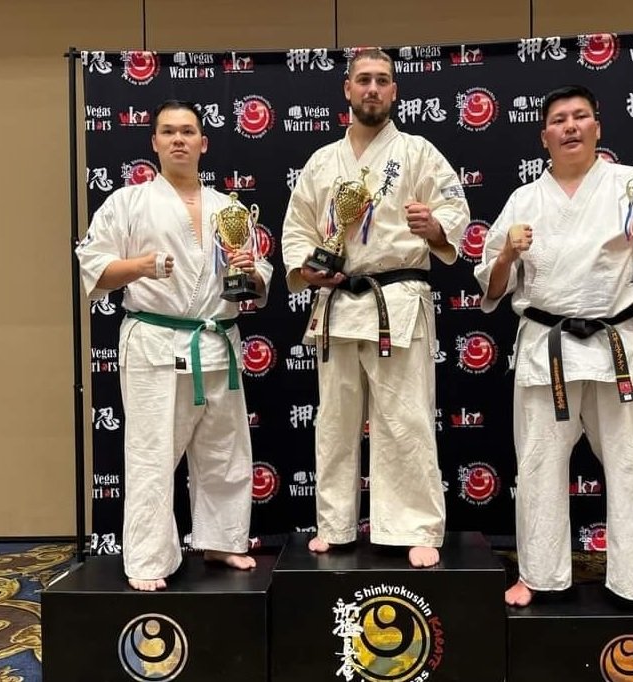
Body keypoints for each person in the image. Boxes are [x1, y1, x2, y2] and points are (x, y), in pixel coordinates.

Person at [474, 85, 633, 620]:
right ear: (543, 136)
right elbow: (493, 287)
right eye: (558, 120)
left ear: (598, 126)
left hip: (612, 343)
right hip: (545, 347)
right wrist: (506, 254)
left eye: (580, 117)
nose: (569, 126)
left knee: (631, 463)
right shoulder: (524, 200)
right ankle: (537, 573)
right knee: (539, 464)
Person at [280, 48, 469, 568]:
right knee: (335, 420)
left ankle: (415, 526)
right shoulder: (323, 162)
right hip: (338, 300)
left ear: (394, 91)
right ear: (347, 89)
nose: (372, 89)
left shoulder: (418, 153)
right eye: (363, 79)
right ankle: (334, 523)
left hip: (398, 300)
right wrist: (306, 267)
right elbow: (297, 228)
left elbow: (455, 208)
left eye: (382, 80)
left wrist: (436, 227)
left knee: (405, 418)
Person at [76, 100, 273, 591]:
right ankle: (148, 559)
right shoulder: (128, 202)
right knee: (152, 453)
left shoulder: (229, 209)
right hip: (155, 341)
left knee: (225, 448)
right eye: (168, 132)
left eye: (187, 131)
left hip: (217, 339)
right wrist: (141, 267)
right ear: (155, 143)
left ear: (204, 143)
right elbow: (93, 267)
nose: (178, 139)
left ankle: (223, 540)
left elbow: (257, 279)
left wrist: (250, 271)